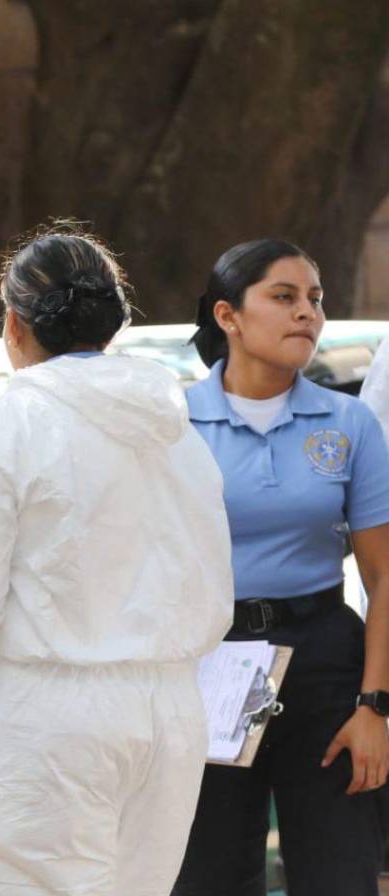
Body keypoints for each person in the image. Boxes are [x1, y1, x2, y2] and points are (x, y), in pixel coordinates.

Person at [0, 229, 234, 895]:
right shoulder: (176, 430)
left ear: (14, 324)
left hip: (51, 711)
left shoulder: (11, 422)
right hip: (168, 707)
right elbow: (213, 574)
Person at [172, 239, 389, 896]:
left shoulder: (349, 422)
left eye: (316, 300)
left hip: (324, 662)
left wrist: (375, 706)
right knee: (209, 875)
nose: (308, 314)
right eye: (285, 297)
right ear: (228, 315)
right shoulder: (174, 422)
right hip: (207, 663)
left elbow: (383, 578)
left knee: (339, 874)